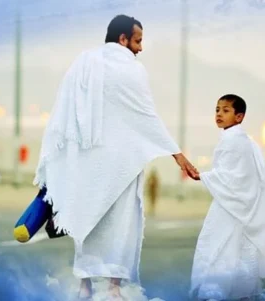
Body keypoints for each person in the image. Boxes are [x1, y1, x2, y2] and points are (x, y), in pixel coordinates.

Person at [31, 15, 199, 299]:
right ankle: (113, 288)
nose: (140, 48)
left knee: (87, 219)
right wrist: (178, 155)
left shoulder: (83, 62)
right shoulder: (131, 69)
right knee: (121, 222)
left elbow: (64, 112)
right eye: (138, 41)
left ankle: (84, 286)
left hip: (86, 160)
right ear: (122, 39)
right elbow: (145, 115)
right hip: (121, 161)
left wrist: (62, 160)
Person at [190, 94, 265, 301]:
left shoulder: (234, 141)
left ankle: (214, 292)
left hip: (230, 206)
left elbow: (234, 177)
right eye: (217, 109)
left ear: (239, 117)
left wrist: (202, 176)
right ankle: (241, 294)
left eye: (225, 110)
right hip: (241, 205)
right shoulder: (244, 140)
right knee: (239, 251)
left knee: (217, 246)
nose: (219, 114)